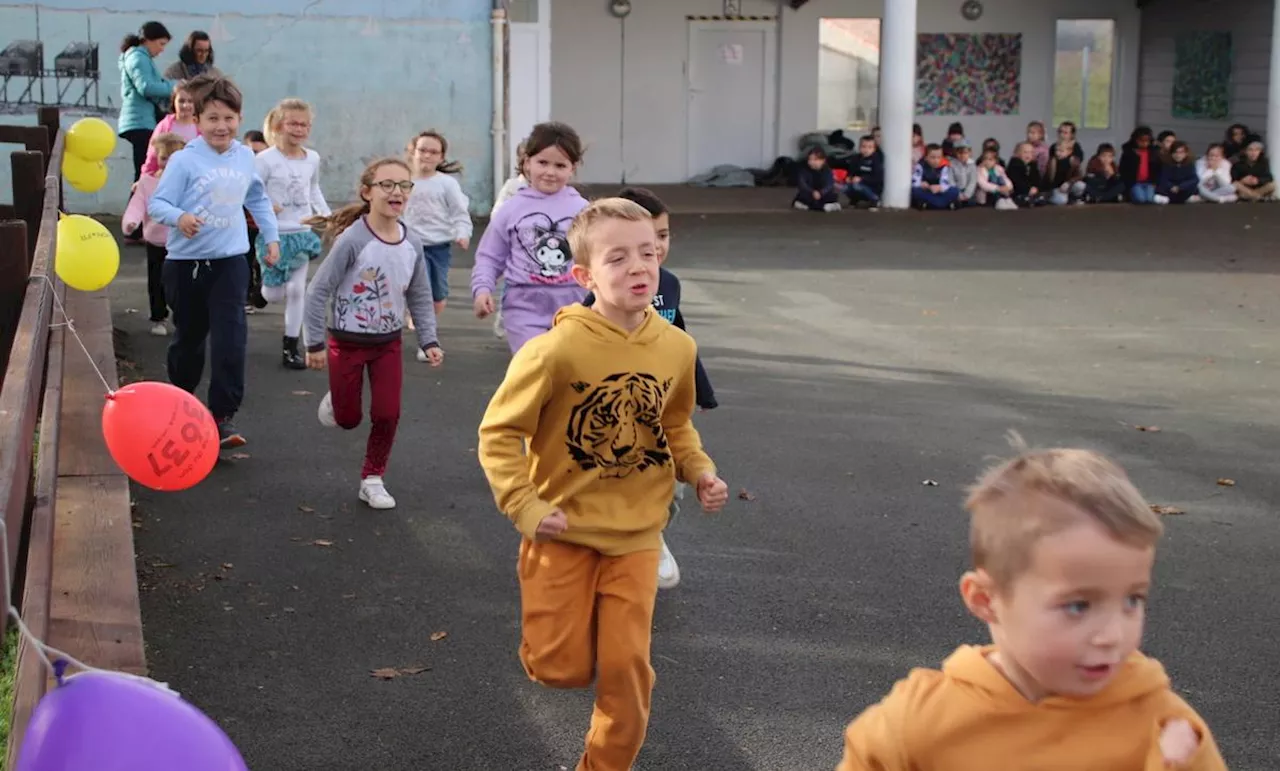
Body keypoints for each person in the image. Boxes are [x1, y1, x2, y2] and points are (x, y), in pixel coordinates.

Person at [478, 197, 729, 771]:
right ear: (584, 276)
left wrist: (700, 469)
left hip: (639, 533)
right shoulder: (554, 350)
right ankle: (547, 642)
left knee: (627, 669)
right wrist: (524, 503)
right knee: (556, 667)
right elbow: (498, 432)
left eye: (649, 253)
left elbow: (673, 423)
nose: (640, 266)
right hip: (561, 530)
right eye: (619, 258)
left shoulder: (677, 346)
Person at [836, 442, 1227, 771]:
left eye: (1132, 599)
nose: (1113, 635)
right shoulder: (921, 722)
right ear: (986, 600)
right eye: (1077, 606)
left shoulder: (1164, 727)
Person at [580, 186, 718, 590]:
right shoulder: (604, 288)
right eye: (642, 240)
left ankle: (650, 534)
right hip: (615, 411)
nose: (655, 248)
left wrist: (702, 391)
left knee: (670, 489)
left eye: (662, 236)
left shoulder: (669, 284)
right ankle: (610, 545)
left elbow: (680, 337)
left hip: (660, 407)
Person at [148, 75, 279, 448]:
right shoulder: (184, 160)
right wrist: (180, 218)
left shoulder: (245, 157)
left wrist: (271, 237)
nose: (221, 126)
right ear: (199, 121)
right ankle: (183, 403)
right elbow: (159, 204)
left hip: (230, 262)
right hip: (186, 265)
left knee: (231, 339)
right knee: (189, 339)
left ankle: (221, 418)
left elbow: (257, 199)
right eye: (212, 119)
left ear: (239, 118)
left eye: (229, 118)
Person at [304, 159, 443, 510]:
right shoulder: (353, 240)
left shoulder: (413, 243)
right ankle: (338, 401)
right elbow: (318, 290)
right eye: (386, 185)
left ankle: (373, 478)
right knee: (349, 419)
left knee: (387, 413)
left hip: (388, 344)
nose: (396, 191)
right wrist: (314, 343)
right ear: (367, 193)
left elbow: (420, 295)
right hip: (346, 343)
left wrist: (429, 340)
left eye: (404, 185)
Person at [471, 121, 590, 353]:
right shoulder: (511, 209)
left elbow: (599, 257)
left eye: (560, 165)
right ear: (527, 163)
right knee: (536, 367)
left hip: (574, 307)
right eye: (542, 162)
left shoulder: (584, 210)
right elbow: (490, 256)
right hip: (523, 308)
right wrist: (482, 289)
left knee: (568, 373)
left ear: (572, 168)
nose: (550, 172)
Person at [255, 98, 330, 369]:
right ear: (279, 125)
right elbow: (251, 192)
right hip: (274, 235)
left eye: (304, 125)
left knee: (298, 290)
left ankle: (291, 347)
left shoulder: (312, 158)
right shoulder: (264, 160)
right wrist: (265, 205)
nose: (299, 129)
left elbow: (313, 189)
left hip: (301, 231)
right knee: (273, 295)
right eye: (293, 123)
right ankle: (258, 283)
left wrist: (327, 215)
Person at [404, 129, 473, 327]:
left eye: (433, 152)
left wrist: (462, 233)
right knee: (413, 286)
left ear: (441, 157)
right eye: (422, 150)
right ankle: (422, 327)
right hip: (409, 244)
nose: (427, 155)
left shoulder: (447, 184)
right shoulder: (404, 180)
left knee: (438, 294)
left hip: (438, 246)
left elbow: (459, 212)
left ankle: (427, 318)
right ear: (413, 151)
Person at [122, 132, 187, 337]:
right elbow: (137, 205)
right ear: (156, 158)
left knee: (180, 283)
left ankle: (183, 316)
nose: (168, 162)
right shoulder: (147, 182)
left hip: (182, 243)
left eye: (173, 158)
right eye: (163, 157)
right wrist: (131, 222)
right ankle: (159, 317)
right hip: (155, 241)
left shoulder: (189, 182)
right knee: (156, 281)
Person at [117, 22, 175, 184]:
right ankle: (135, 208)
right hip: (140, 121)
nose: (162, 49)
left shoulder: (139, 57)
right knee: (144, 174)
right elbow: (146, 87)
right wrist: (174, 86)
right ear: (147, 40)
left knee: (144, 171)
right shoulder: (138, 57)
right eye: (161, 44)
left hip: (141, 120)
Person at [488, 141, 530, 341]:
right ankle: (506, 313)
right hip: (516, 246)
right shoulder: (514, 186)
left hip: (541, 250)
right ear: (522, 161)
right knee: (512, 283)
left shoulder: (553, 187)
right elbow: (498, 212)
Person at [140, 80, 198, 177]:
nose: (186, 105)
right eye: (181, 101)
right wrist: (145, 179)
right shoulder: (164, 126)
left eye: (190, 101)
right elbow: (152, 156)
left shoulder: (202, 128)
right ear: (174, 102)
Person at [241, 130, 269, 314]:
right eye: (252, 152)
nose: (256, 157)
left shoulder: (271, 173)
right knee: (246, 261)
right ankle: (246, 297)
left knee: (264, 263)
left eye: (260, 152)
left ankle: (260, 292)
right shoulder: (241, 173)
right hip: (246, 226)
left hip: (265, 227)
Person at [911, 144, 960, 210]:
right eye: (933, 157)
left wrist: (940, 188)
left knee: (954, 190)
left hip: (940, 191)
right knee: (915, 191)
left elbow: (946, 181)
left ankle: (928, 204)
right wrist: (921, 184)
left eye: (939, 157)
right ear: (926, 157)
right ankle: (945, 205)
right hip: (927, 190)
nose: (936, 160)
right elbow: (915, 181)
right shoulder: (920, 165)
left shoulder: (944, 166)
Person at [1120, 127, 1161, 205]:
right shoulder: (1129, 152)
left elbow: (1157, 168)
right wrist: (1129, 183)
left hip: (1149, 182)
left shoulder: (1153, 152)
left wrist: (1155, 182)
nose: (1144, 143)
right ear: (1135, 140)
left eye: (1147, 141)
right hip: (1135, 183)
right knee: (1140, 199)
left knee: (1149, 199)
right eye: (1141, 140)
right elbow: (1123, 169)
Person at [794, 147, 841, 212]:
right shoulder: (804, 170)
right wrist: (812, 192)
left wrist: (821, 193)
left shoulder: (827, 171)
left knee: (831, 196)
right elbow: (802, 184)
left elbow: (829, 185)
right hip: (810, 193)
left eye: (815, 160)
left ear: (823, 161)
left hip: (823, 194)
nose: (812, 162)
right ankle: (810, 206)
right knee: (802, 197)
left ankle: (831, 206)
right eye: (810, 159)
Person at [845, 135, 883, 208]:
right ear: (859, 147)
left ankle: (874, 199)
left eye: (869, 147)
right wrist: (849, 178)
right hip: (856, 183)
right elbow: (851, 172)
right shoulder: (856, 158)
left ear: (874, 149)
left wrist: (862, 179)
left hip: (872, 187)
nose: (866, 150)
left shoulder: (876, 160)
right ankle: (854, 199)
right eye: (863, 146)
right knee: (845, 187)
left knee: (857, 186)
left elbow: (878, 178)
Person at [1007, 142, 1049, 208]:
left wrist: (1036, 187)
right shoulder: (1014, 164)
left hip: (1031, 190)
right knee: (1021, 197)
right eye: (1025, 152)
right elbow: (1017, 180)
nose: (1028, 155)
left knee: (1042, 195)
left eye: (1031, 152)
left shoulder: (1033, 165)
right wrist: (1028, 189)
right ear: (1018, 153)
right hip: (1017, 191)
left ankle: (1035, 199)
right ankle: (1024, 200)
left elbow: (1036, 178)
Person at [1045, 141, 1085, 205]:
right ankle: (1049, 199)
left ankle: (1075, 198)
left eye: (1061, 151)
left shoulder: (1073, 161)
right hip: (1057, 188)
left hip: (1069, 185)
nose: (1058, 153)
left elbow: (1080, 176)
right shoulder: (1052, 162)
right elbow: (1048, 180)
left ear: (1069, 152)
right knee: (1061, 201)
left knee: (1081, 185)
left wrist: (1069, 182)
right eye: (1056, 150)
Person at [948, 141, 979, 207]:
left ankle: (962, 201)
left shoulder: (972, 165)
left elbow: (972, 181)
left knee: (972, 201)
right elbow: (951, 180)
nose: (962, 155)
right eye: (959, 153)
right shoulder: (952, 164)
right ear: (955, 153)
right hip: (957, 189)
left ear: (969, 153)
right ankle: (958, 201)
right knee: (951, 195)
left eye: (965, 153)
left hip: (967, 189)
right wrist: (958, 193)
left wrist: (966, 194)